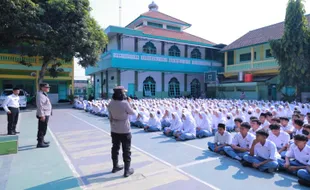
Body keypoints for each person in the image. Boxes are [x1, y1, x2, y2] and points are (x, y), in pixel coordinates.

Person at [108, 86, 135, 177]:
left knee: (115, 148)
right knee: (126, 150)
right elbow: (132, 112)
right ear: (122, 93)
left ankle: (115, 166)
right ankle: (127, 171)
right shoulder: (125, 103)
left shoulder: (111, 103)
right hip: (124, 129)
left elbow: (110, 117)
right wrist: (129, 102)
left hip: (114, 129)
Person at [36, 83, 52, 148]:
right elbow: (40, 106)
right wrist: (42, 115)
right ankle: (40, 143)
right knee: (42, 128)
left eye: (48, 87)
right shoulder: (40, 95)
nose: (48, 88)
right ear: (42, 88)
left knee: (43, 128)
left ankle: (42, 140)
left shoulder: (43, 94)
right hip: (43, 114)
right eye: (46, 87)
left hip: (46, 113)